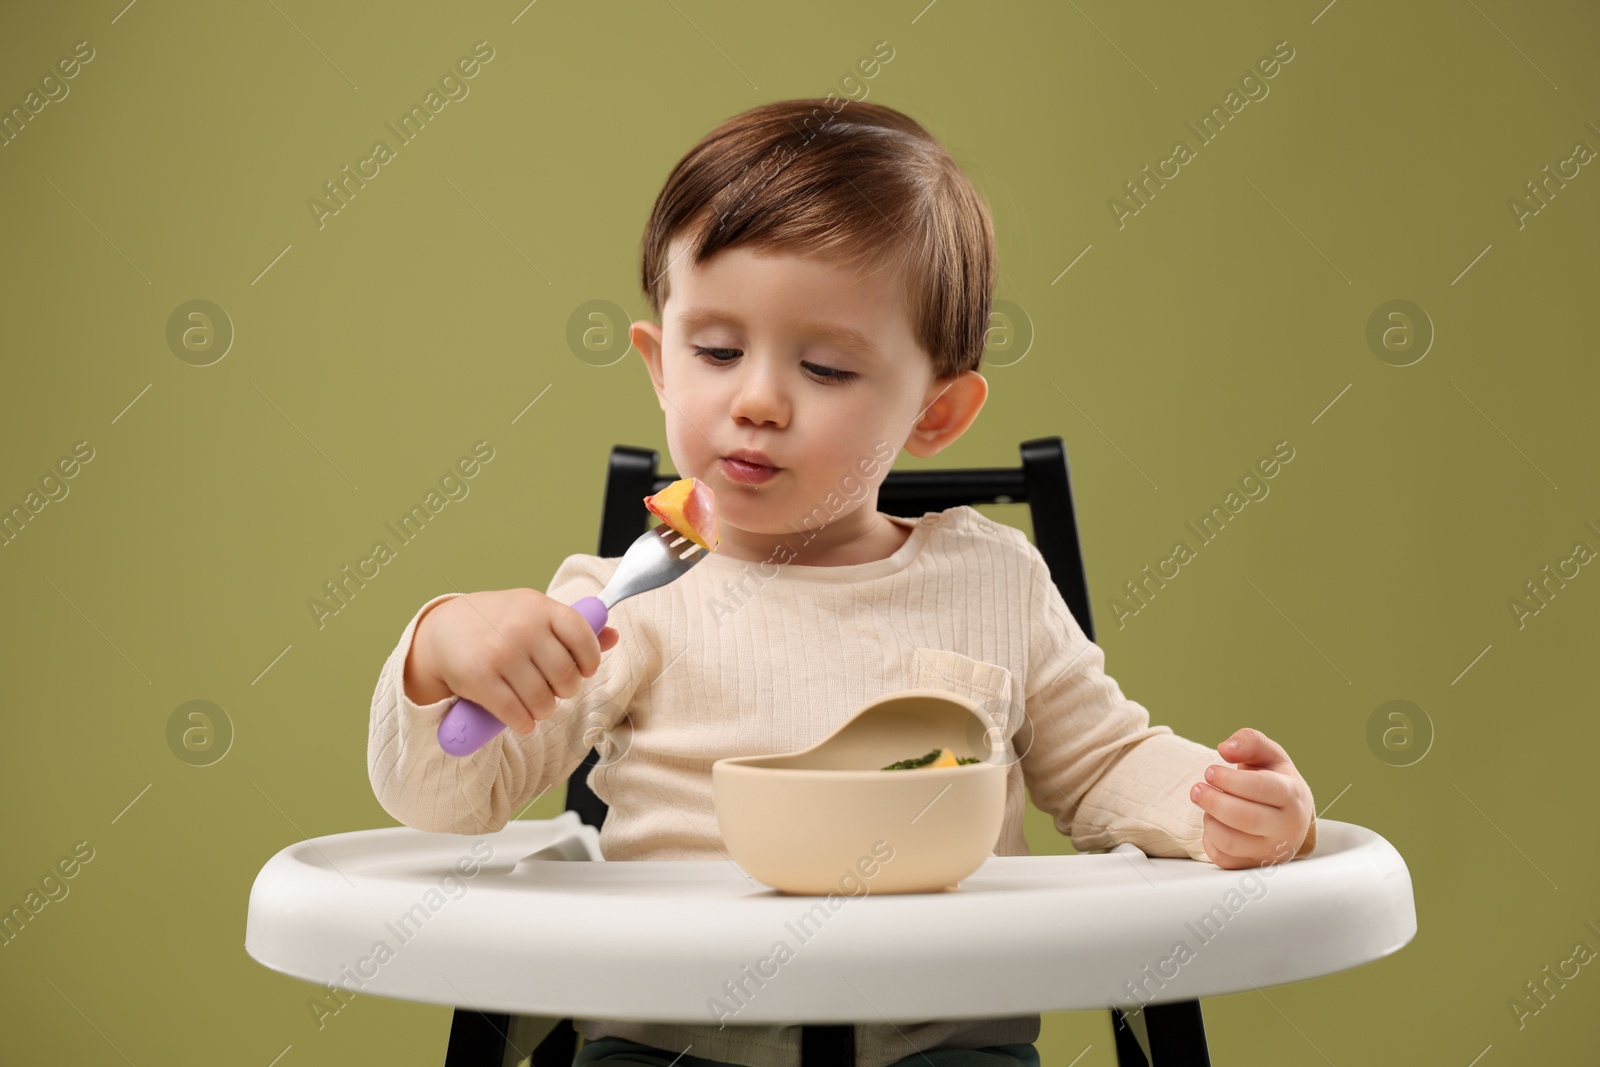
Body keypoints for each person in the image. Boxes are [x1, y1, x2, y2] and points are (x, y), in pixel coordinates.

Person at [368, 97, 1316, 1067]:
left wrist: (1221, 808)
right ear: (658, 365)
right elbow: (445, 804)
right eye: (717, 350)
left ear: (936, 411)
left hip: (941, 1037)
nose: (758, 400)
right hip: (672, 1035)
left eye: (823, 366)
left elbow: (1105, 765)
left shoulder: (991, 580)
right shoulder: (620, 601)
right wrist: (443, 652)